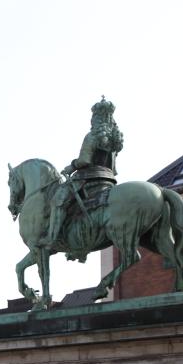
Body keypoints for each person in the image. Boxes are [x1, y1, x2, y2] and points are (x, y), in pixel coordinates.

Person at [42, 97, 124, 257]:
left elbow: (84, 160)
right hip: (109, 181)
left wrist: (71, 166)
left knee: (58, 200)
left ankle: (51, 239)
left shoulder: (93, 136)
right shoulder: (115, 140)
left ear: (96, 118)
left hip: (89, 179)